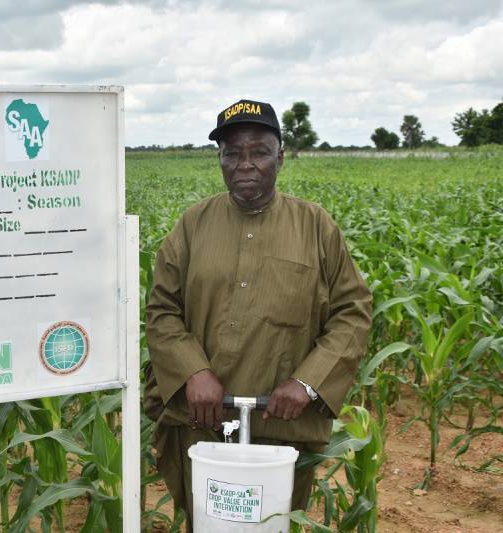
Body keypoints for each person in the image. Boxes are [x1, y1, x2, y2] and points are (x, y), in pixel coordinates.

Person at [144, 98, 372, 529]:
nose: (245, 164)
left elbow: (352, 311)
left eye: (259, 152)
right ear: (221, 160)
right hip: (203, 423)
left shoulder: (316, 226)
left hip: (284, 425)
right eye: (233, 153)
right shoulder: (193, 225)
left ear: (280, 158)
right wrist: (193, 372)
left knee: (272, 521)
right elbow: (162, 308)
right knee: (207, 521)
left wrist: (308, 382)